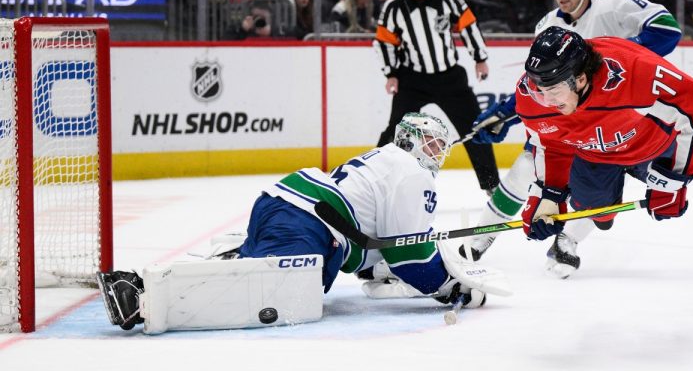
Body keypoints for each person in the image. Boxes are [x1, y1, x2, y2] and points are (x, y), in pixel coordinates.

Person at [96, 113, 495, 332]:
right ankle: (144, 298)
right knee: (269, 300)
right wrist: (450, 285)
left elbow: (375, 245)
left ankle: (190, 272)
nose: (437, 153)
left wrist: (385, 268)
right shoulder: (412, 170)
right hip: (306, 223)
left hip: (288, 206)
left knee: (259, 278)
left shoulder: (386, 159)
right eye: (432, 143)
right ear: (411, 140)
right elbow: (412, 258)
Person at [463, 0, 683, 277]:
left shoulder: (613, 0)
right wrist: (505, 112)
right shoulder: (547, 25)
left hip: (626, 118)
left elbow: (667, 30)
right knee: (527, 167)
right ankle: (481, 238)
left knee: (605, 193)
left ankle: (567, 240)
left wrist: (621, 55)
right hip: (574, 120)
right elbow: (540, 84)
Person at [473, 27, 693, 279]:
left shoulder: (636, 74)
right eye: (540, 90)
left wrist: (673, 181)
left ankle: (571, 236)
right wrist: (549, 197)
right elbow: (551, 143)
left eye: (554, 91)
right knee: (601, 216)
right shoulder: (533, 96)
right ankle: (590, 217)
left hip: (653, 148)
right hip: (594, 154)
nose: (546, 102)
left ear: (580, 79)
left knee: (650, 205)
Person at [373, 0, 500, 194]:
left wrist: (480, 58)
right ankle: (372, 179)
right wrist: (391, 73)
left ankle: (492, 185)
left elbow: (468, 25)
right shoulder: (394, 7)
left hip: (450, 78)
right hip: (412, 79)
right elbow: (383, 41)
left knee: (475, 129)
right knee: (395, 131)